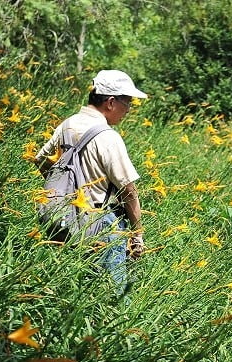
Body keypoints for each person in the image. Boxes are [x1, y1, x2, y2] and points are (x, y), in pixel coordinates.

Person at [34, 69, 147, 296]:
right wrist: (137, 234)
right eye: (128, 103)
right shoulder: (108, 137)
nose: (129, 109)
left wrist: (62, 188)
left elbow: (40, 160)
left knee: (69, 289)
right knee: (112, 294)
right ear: (111, 102)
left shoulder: (68, 124)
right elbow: (129, 192)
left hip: (61, 218)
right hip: (99, 224)